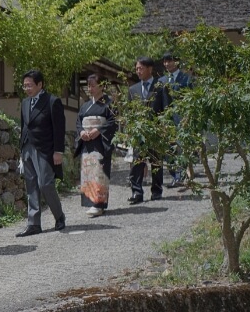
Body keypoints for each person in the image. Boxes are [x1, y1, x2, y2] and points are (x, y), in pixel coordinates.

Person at [16, 70, 67, 237]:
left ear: (40, 84)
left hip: (45, 149)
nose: (27, 88)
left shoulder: (52, 101)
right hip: (27, 148)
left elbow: (59, 129)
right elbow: (25, 126)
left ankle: (59, 216)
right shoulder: (24, 103)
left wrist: (58, 151)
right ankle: (33, 223)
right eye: (25, 86)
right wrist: (21, 150)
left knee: (45, 184)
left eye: (30, 85)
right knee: (30, 185)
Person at [73, 74, 118, 217]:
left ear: (101, 86)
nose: (90, 89)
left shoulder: (109, 103)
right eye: (88, 86)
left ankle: (99, 204)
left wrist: (98, 130)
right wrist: (81, 132)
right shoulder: (85, 106)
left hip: (100, 143)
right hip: (87, 142)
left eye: (93, 85)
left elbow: (112, 122)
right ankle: (92, 202)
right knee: (88, 173)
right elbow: (79, 122)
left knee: (99, 172)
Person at [127, 57, 169, 204]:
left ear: (150, 69)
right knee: (137, 162)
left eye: (141, 68)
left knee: (156, 162)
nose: (138, 71)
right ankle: (137, 193)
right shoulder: (133, 90)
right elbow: (130, 112)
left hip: (156, 130)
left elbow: (166, 108)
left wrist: (164, 127)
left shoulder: (160, 86)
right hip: (139, 132)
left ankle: (156, 191)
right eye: (137, 68)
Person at [160, 52, 193, 188]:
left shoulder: (185, 78)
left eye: (170, 61)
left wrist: (188, 117)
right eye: (165, 61)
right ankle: (175, 175)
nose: (167, 64)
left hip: (182, 118)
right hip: (167, 120)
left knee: (182, 147)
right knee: (168, 149)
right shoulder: (162, 80)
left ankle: (183, 176)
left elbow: (190, 98)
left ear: (177, 62)